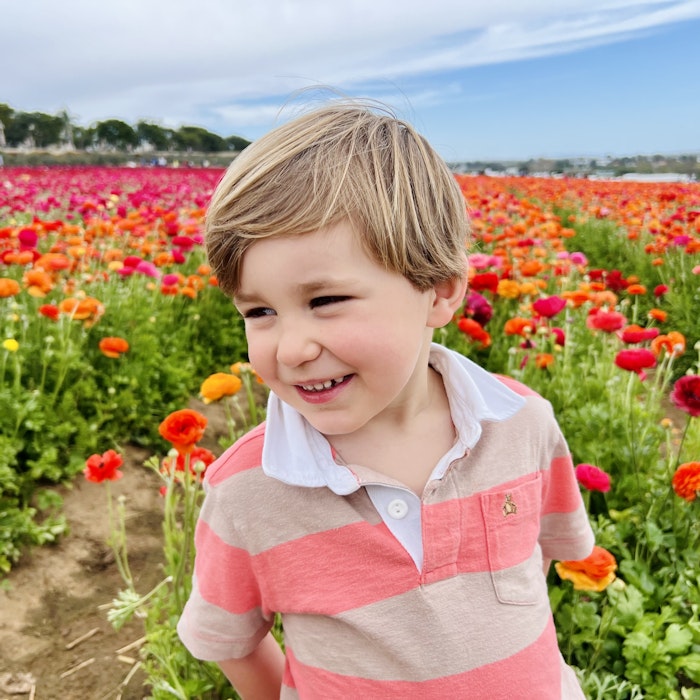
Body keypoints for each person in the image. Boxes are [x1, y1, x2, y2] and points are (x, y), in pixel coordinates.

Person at [177, 101, 595, 699]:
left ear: (439, 292)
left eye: (324, 301)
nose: (292, 348)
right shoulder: (250, 488)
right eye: (259, 312)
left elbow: (539, 561)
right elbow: (231, 641)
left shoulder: (521, 422)